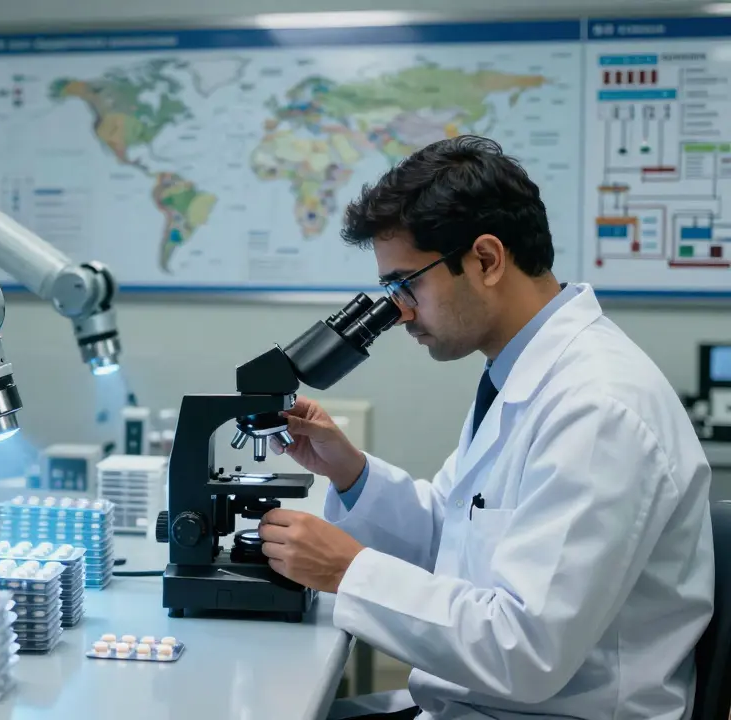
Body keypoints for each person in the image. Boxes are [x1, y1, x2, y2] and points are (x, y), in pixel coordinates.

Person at [258, 135, 715, 720]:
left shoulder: (598, 409)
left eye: (406, 286)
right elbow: (456, 539)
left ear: (487, 259)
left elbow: (525, 650)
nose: (398, 314)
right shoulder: (520, 376)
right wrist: (350, 473)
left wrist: (347, 571)